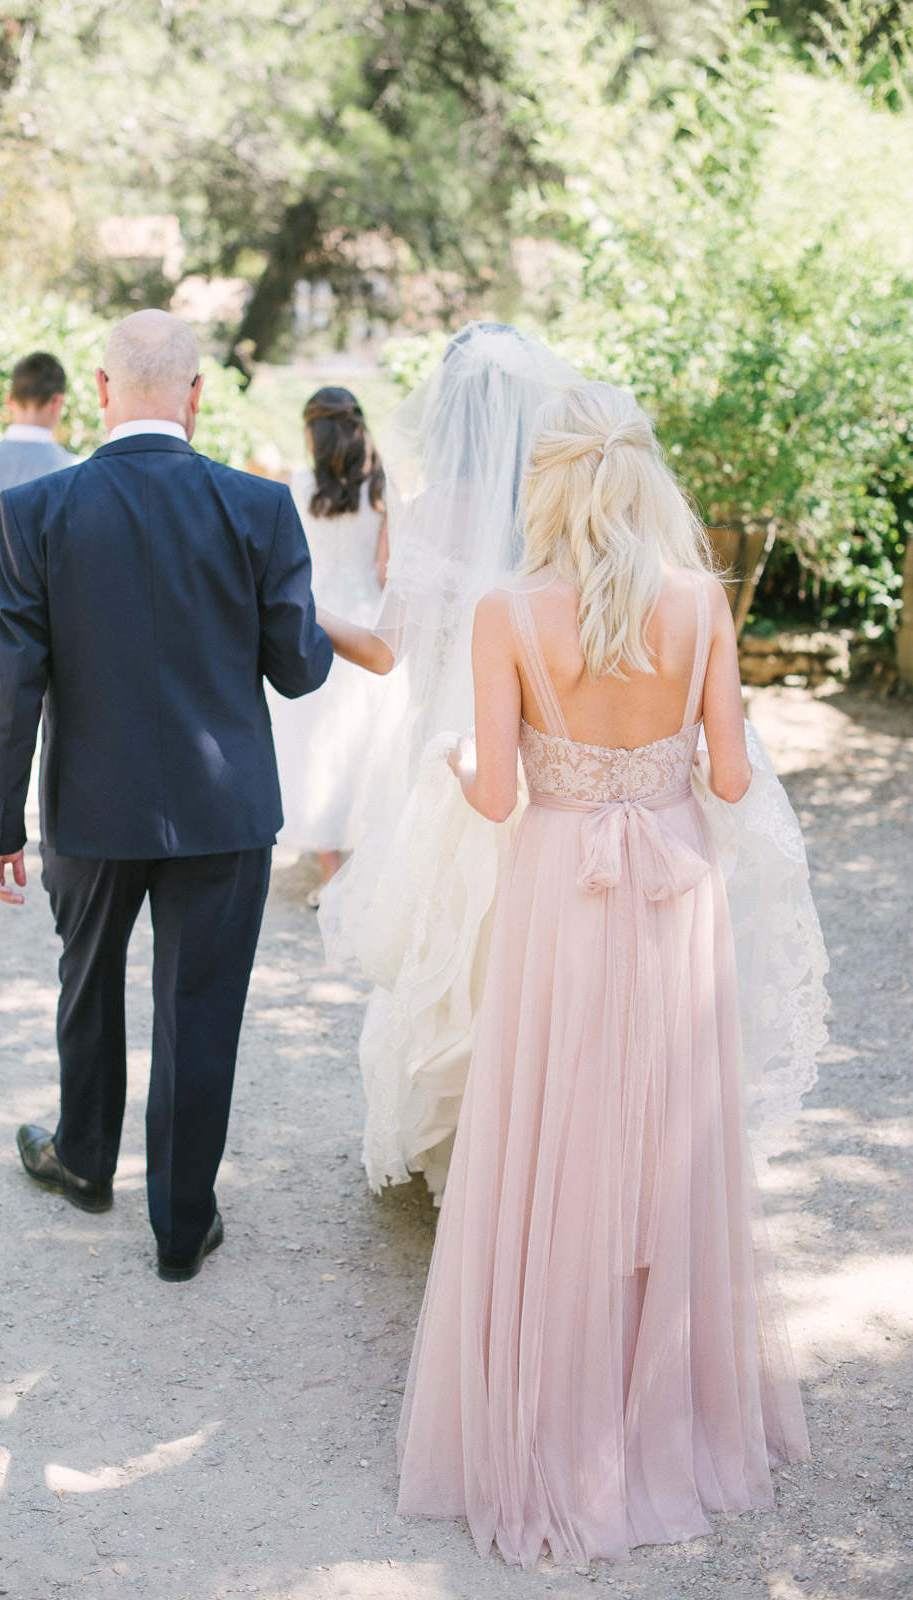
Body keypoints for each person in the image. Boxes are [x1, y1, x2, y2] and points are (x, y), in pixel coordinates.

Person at [333, 380, 818, 1564]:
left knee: (560, 1123)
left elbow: (499, 795)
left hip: (563, 887)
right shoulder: (701, 600)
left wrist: (459, 758)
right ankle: (670, 1404)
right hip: (675, 889)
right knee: (667, 1125)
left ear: (545, 483)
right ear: (646, 476)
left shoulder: (508, 610)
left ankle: (555, 1400)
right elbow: (733, 779)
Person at [0, 309, 332, 1282]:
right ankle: (182, 1226)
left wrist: (1, 824)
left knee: (87, 982)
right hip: (224, 813)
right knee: (200, 1010)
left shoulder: (34, 512)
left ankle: (85, 1161)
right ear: (196, 394)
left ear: (100, 390)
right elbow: (299, 668)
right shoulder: (259, 507)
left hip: (91, 808)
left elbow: (14, 686)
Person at [316, 322, 582, 1195]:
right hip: (547, 751)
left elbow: (385, 650)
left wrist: (300, 612)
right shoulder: (561, 506)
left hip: (449, 752)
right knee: (536, 939)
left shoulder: (431, 511)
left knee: (450, 931)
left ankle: (453, 1141)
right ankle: (535, 1141)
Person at [266, 387, 390, 906]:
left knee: (315, 743)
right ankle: (372, 863)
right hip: (368, 623)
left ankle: (331, 873)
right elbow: (386, 571)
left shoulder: (293, 487)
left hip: (315, 620)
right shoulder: (382, 489)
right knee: (368, 741)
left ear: (312, 434)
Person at [0, 351, 78, 664]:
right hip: (52, 600)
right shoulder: (72, 467)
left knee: (1, 690)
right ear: (57, 402)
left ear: (10, 400)